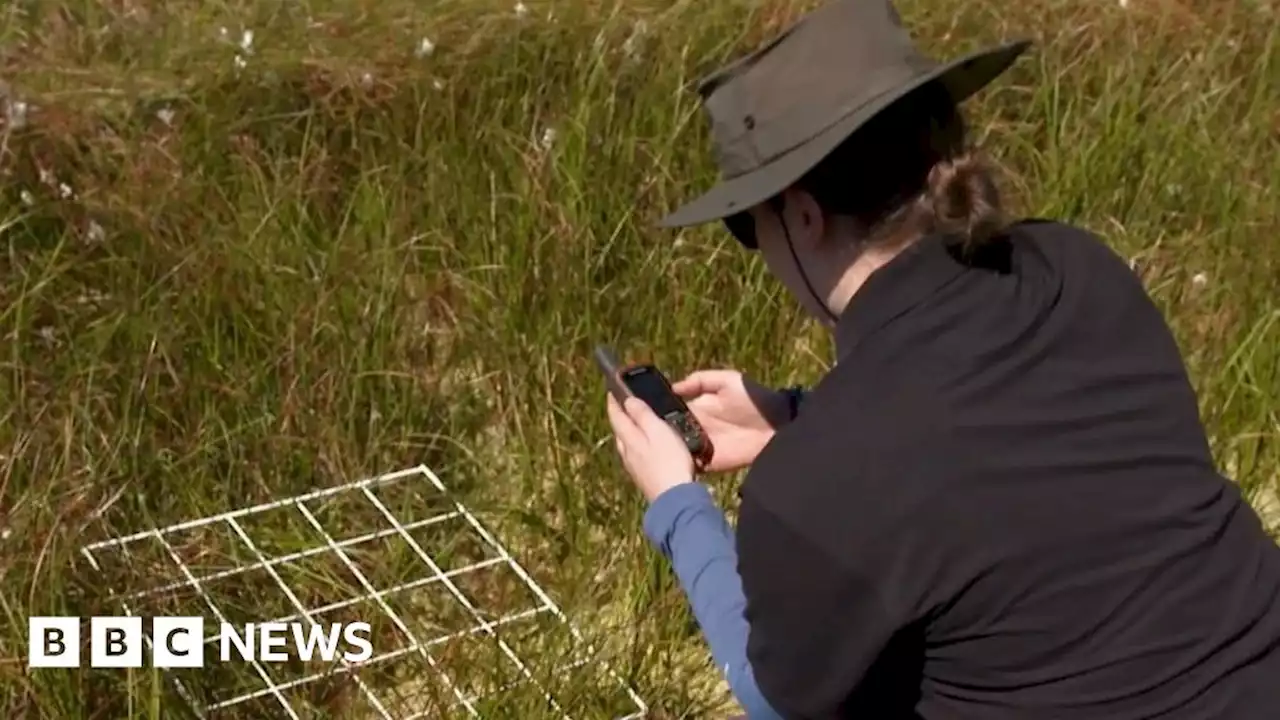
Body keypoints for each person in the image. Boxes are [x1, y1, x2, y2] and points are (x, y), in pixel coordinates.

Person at [603, 0, 1280, 718]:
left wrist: (678, 506)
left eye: (748, 225)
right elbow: (1005, 452)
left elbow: (773, 692)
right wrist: (800, 418)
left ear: (802, 217)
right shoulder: (1079, 269)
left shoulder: (816, 484)